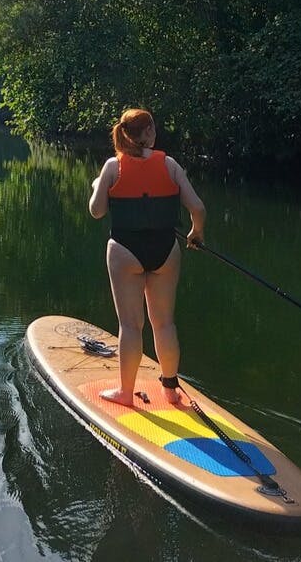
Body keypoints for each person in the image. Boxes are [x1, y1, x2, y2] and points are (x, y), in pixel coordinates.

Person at [88, 109, 206, 406]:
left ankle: (126, 394)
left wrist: (97, 186)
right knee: (164, 323)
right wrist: (196, 233)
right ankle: (170, 388)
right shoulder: (169, 165)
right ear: (150, 132)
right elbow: (198, 209)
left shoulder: (113, 167)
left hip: (125, 250)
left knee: (130, 325)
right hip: (165, 250)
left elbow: (96, 211)